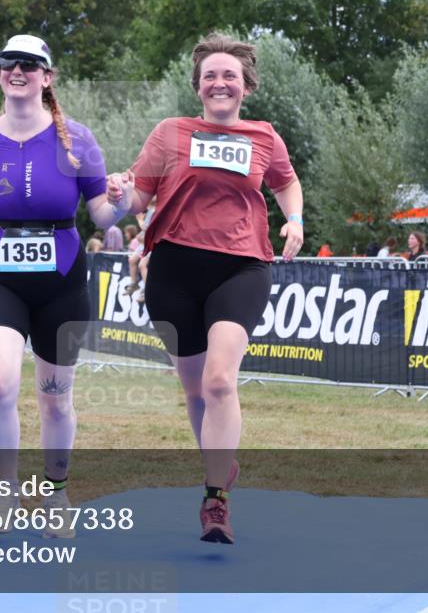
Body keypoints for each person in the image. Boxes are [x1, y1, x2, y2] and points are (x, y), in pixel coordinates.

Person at [107, 32, 304, 544]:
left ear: (245, 87)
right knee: (195, 390)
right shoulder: (170, 132)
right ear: (198, 87)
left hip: (241, 268)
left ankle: (215, 500)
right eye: (211, 75)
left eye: (230, 76)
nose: (220, 82)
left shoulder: (265, 137)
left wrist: (295, 220)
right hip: (173, 270)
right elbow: (137, 198)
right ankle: (221, 465)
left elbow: (285, 180)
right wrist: (122, 191)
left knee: (219, 382)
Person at [0, 34, 129, 538]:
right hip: (0, 278)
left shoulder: (79, 140)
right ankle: (5, 490)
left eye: (30, 65)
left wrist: (122, 200)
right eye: (7, 62)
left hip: (62, 280)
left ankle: (57, 492)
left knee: (54, 397)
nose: (17, 70)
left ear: (47, 77)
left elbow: (101, 213)